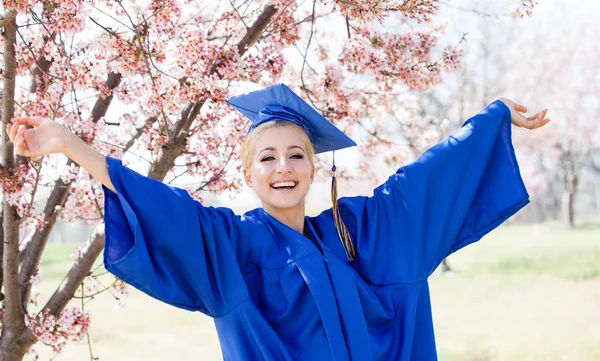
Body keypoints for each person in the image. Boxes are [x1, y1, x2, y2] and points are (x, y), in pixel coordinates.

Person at [6, 83, 549, 360]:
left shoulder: (359, 233)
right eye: (266, 158)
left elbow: (424, 183)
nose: (282, 167)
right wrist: (68, 145)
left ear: (314, 167)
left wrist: (491, 116)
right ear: (248, 173)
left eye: (296, 155)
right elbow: (162, 209)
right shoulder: (231, 249)